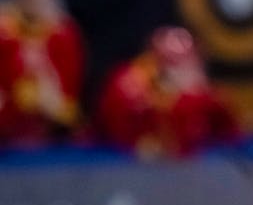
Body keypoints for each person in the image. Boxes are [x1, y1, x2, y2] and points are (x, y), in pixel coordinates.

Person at [95, 25, 239, 158]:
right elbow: (128, 138)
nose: (190, 66)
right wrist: (189, 96)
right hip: (115, 163)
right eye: (175, 61)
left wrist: (200, 94)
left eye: (192, 57)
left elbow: (230, 134)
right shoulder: (128, 83)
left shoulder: (205, 95)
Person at [0, 0, 85, 147]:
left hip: (52, 116)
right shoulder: (5, 31)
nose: (35, 0)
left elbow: (70, 81)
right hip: (10, 114)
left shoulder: (63, 32)